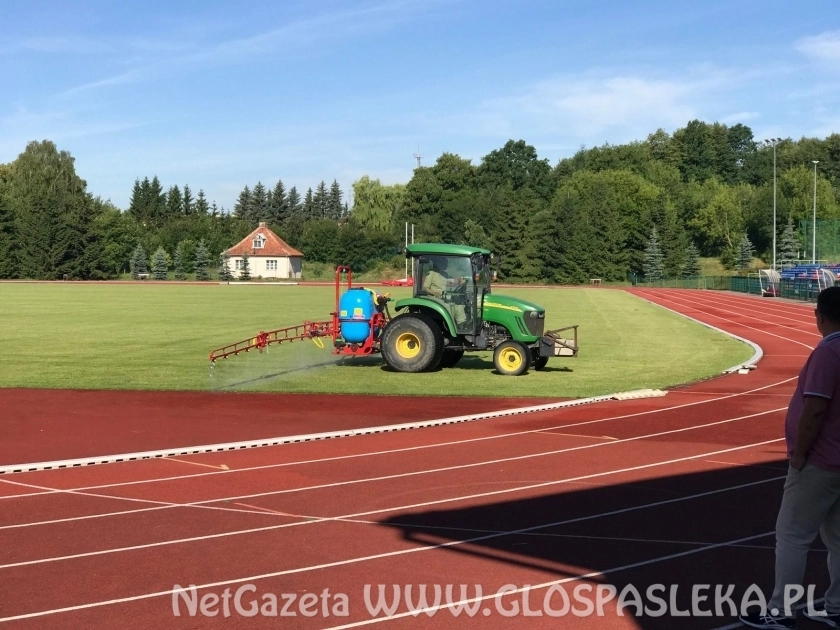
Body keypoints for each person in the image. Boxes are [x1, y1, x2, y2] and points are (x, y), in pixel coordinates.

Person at [740, 286, 840, 629]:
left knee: (792, 536)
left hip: (821, 461)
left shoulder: (829, 352)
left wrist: (799, 455)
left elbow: (815, 408)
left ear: (820, 316)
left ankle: (781, 611)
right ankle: (836, 607)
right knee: (838, 539)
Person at [422, 257, 467, 326]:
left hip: (444, 296)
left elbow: (452, 280)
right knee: (448, 306)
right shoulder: (431, 273)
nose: (446, 265)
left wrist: (460, 280)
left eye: (447, 263)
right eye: (445, 263)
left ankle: (462, 323)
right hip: (434, 296)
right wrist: (434, 293)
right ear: (439, 263)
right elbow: (426, 287)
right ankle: (450, 325)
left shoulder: (444, 274)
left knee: (458, 304)